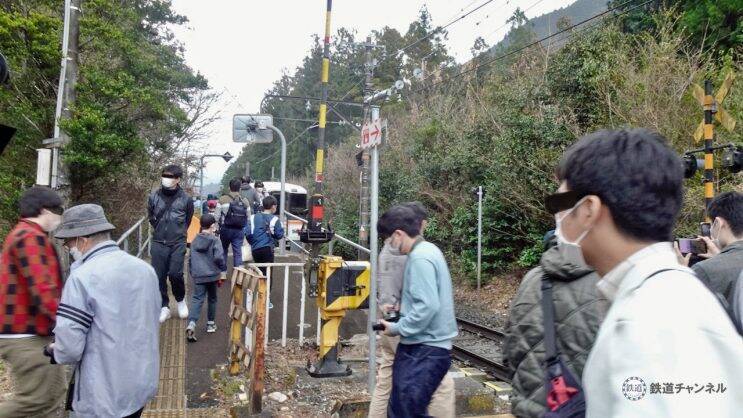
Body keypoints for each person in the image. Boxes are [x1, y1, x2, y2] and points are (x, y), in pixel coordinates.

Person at [549, 128, 743, 417]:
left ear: (589, 209)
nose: (556, 216)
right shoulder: (668, 295)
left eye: (559, 204)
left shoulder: (647, 323)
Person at [49, 204, 160, 418]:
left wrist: (54, 350)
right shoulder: (145, 270)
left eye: (68, 243)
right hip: (140, 383)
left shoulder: (82, 278)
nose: (68, 248)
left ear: (82, 240)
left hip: (103, 393)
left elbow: (69, 348)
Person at [504, 231, 608, 418]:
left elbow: (509, 349)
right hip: (581, 409)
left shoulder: (530, 280)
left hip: (528, 409)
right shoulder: (604, 283)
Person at [369, 202, 455, 418]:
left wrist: (398, 327)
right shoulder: (430, 250)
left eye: (389, 239)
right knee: (405, 406)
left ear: (399, 234)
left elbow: (427, 306)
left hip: (424, 347)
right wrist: (404, 308)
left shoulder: (419, 258)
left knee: (405, 408)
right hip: (428, 344)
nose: (390, 244)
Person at [0, 186, 66, 416]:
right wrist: (67, 321)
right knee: (36, 400)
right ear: (44, 210)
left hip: (29, 331)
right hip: (25, 333)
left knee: (54, 394)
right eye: (58, 210)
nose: (59, 217)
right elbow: (43, 289)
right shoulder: (30, 238)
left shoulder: (23, 234)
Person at [677, 191, 742, 307]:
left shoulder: (704, 270)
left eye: (711, 224)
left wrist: (682, 273)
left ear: (717, 223)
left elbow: (683, 307)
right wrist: (720, 256)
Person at [148, 164, 194, 323]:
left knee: (175, 273)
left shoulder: (186, 199)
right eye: (164, 176)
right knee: (158, 275)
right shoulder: (154, 196)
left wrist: (178, 232)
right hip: (158, 241)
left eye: (170, 176)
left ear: (178, 179)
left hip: (177, 242)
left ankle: (180, 300)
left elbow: (188, 220)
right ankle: (164, 306)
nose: (166, 179)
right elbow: (151, 217)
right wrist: (161, 230)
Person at [187, 214, 227, 342]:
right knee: (212, 298)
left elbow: (190, 259)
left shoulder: (194, 240)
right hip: (212, 275)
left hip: (198, 274)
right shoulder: (215, 240)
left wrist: (192, 272)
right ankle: (210, 324)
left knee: (197, 299)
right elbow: (219, 257)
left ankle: (192, 323)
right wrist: (221, 268)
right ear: (212, 226)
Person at [246, 195, 285, 279]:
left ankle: (259, 287)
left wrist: (253, 242)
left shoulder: (253, 217)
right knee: (267, 275)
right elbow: (279, 235)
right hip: (267, 249)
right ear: (273, 206)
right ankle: (266, 287)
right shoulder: (275, 219)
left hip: (255, 249)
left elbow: (248, 233)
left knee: (258, 273)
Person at [216, 178, 251, 269]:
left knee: (223, 250)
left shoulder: (222, 199)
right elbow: (248, 218)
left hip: (225, 229)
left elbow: (216, 217)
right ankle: (238, 273)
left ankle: (223, 272)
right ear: (240, 188)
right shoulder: (245, 200)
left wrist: (216, 229)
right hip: (239, 230)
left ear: (229, 187)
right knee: (238, 252)